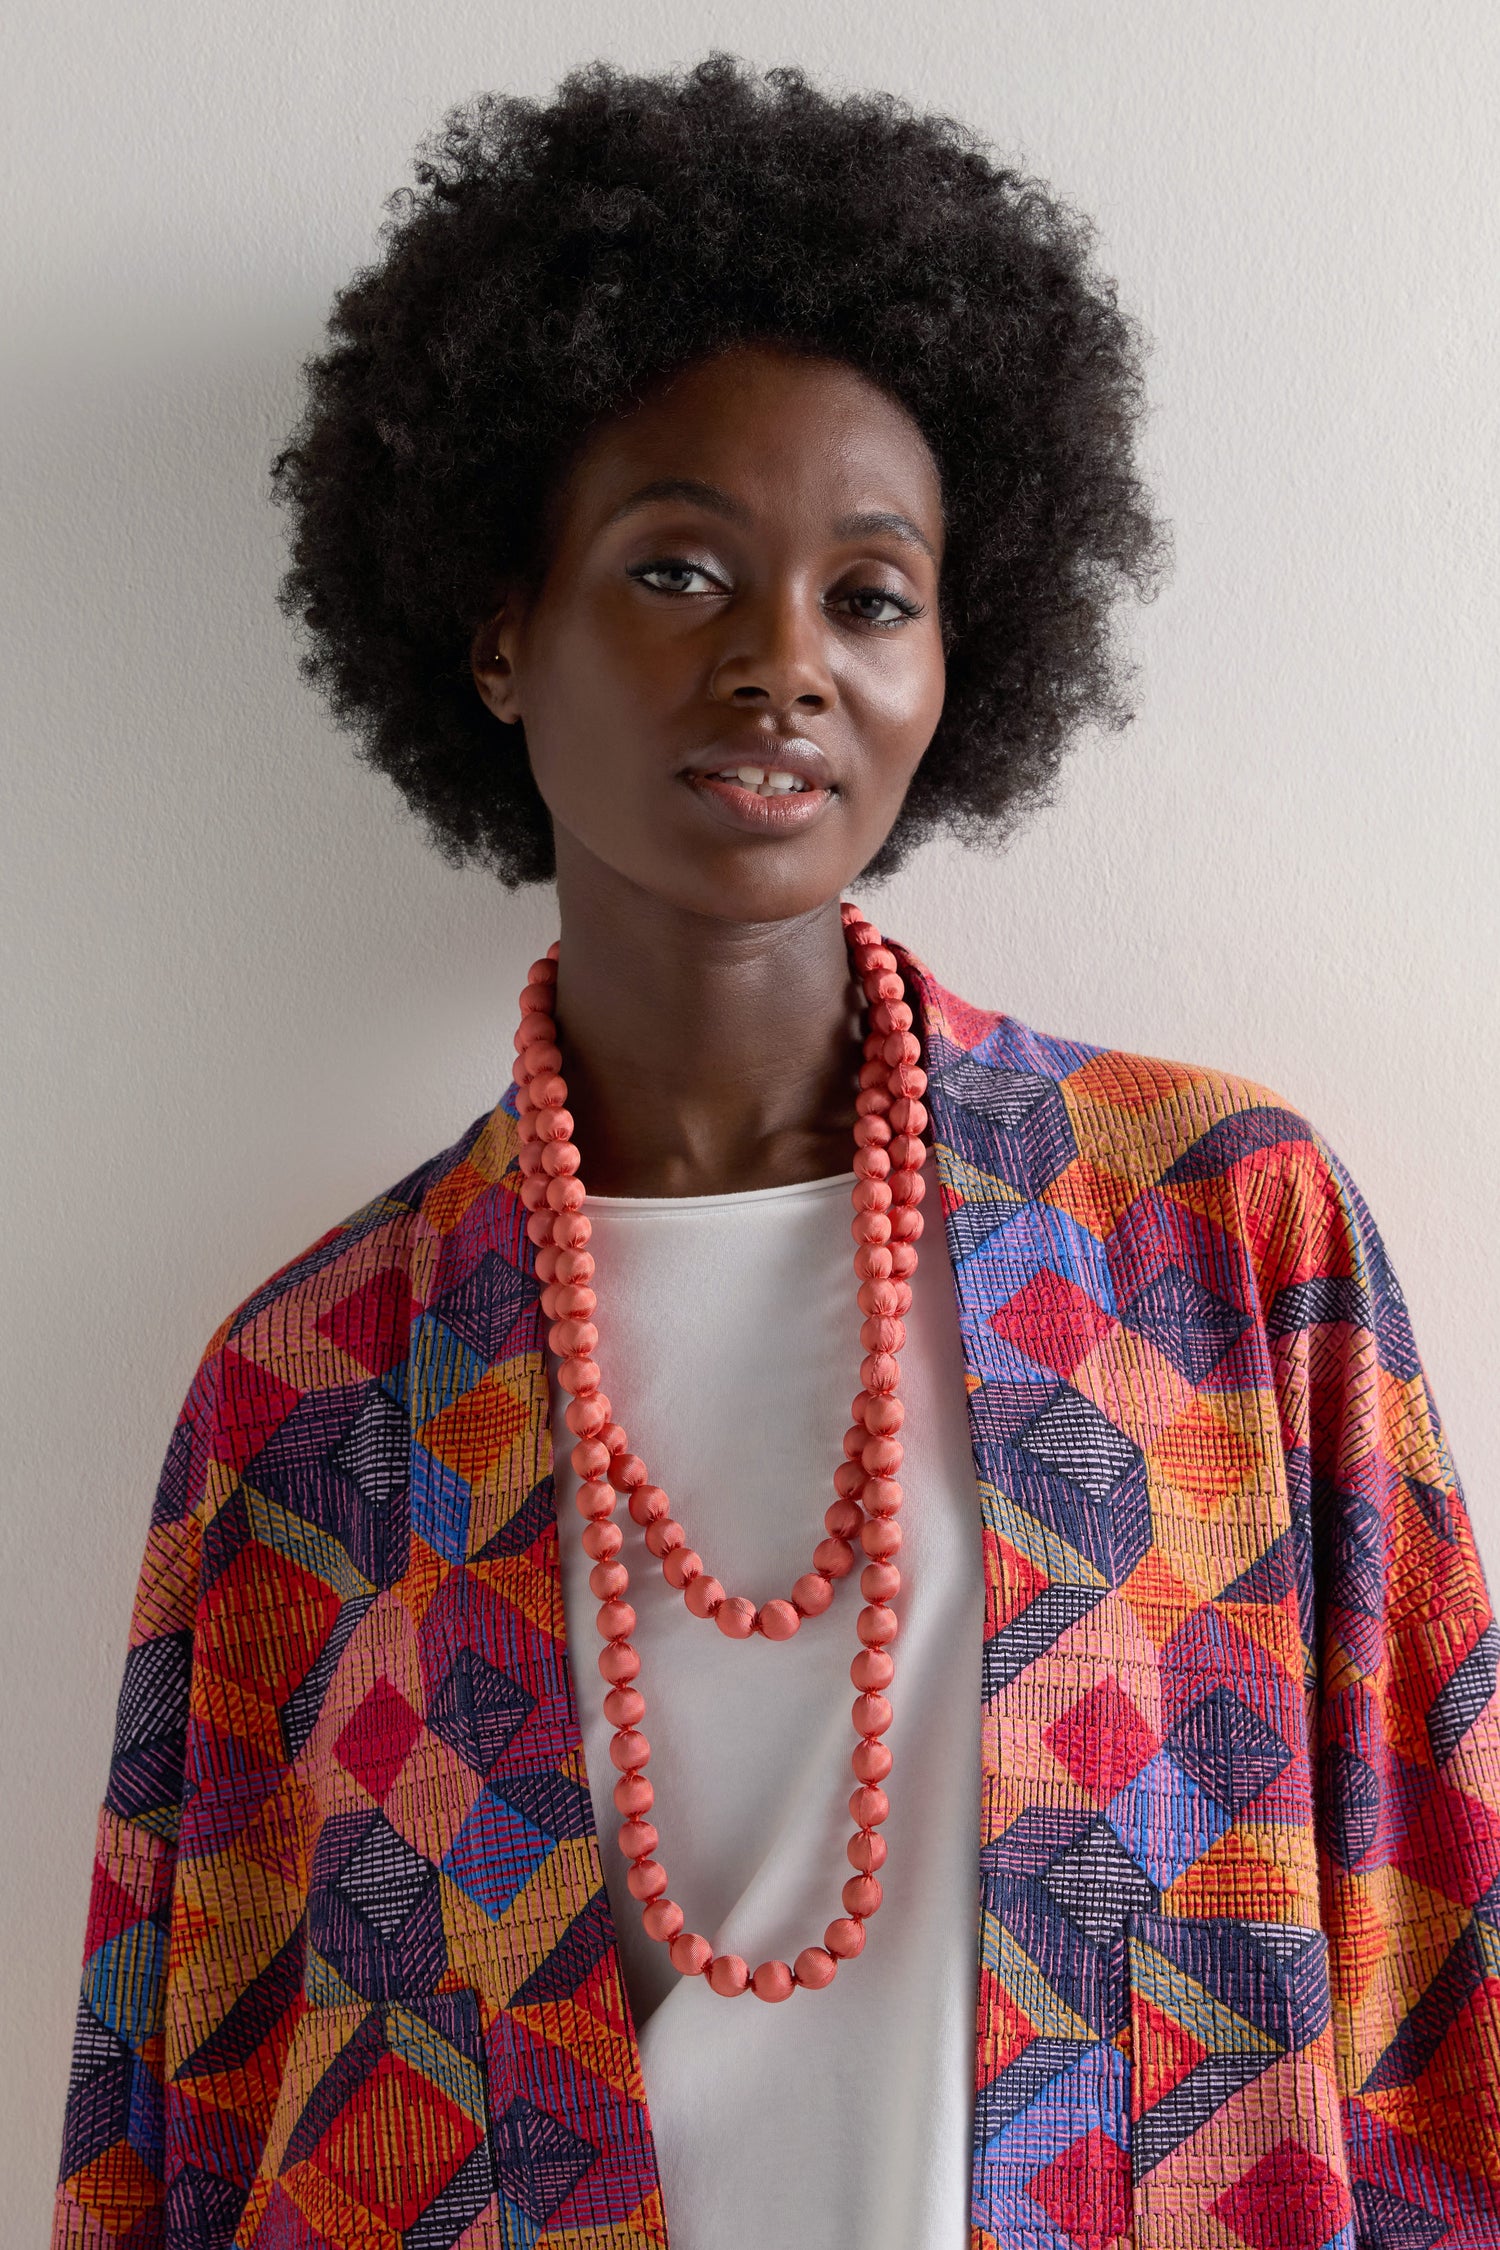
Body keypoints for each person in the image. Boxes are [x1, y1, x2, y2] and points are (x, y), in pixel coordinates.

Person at [53, 55, 1500, 2250]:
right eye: (679, 571)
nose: (780, 667)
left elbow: (1441, 1973)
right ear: (497, 632)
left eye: (871, 595)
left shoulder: (1218, 1244)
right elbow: (183, 2116)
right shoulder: (314, 1402)